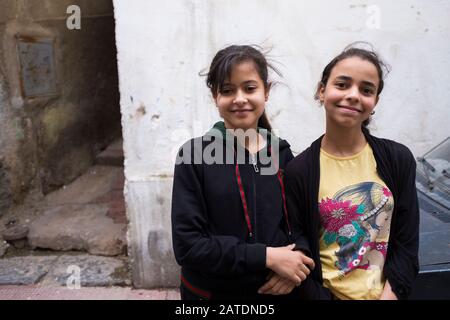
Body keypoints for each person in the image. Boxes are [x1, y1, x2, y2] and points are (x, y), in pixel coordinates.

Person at [171, 45, 314, 300]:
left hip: (276, 293)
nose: (239, 98)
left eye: (249, 88)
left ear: (266, 92)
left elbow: (301, 223)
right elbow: (188, 246)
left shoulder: (281, 154)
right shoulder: (193, 156)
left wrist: (294, 264)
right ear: (215, 96)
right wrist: (268, 257)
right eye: (227, 90)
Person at [285, 43, 419, 300]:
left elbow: (407, 246)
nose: (354, 95)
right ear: (322, 91)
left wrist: (390, 296)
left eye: (366, 89)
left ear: (375, 101)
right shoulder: (299, 171)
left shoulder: (398, 160)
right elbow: (300, 253)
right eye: (342, 84)